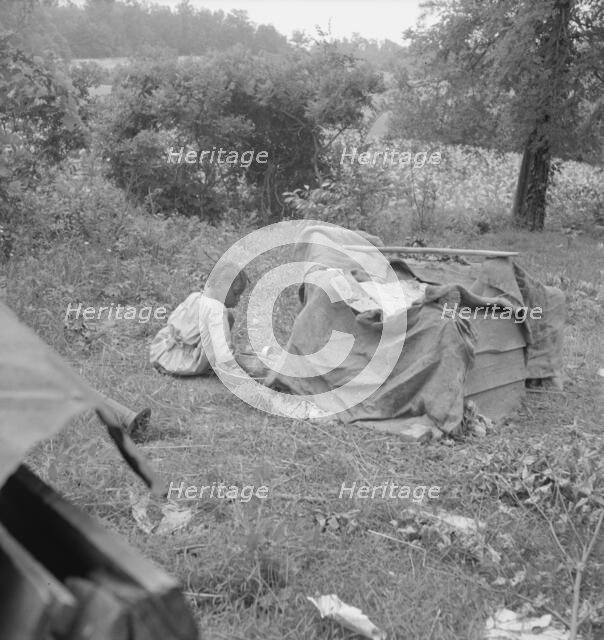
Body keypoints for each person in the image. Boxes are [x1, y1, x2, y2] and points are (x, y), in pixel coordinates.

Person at [150, 262, 248, 379]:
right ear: (221, 286)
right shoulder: (216, 310)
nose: (238, 299)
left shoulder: (195, 297)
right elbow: (224, 353)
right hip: (186, 363)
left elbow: (173, 323)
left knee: (228, 318)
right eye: (236, 293)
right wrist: (241, 374)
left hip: (165, 353)